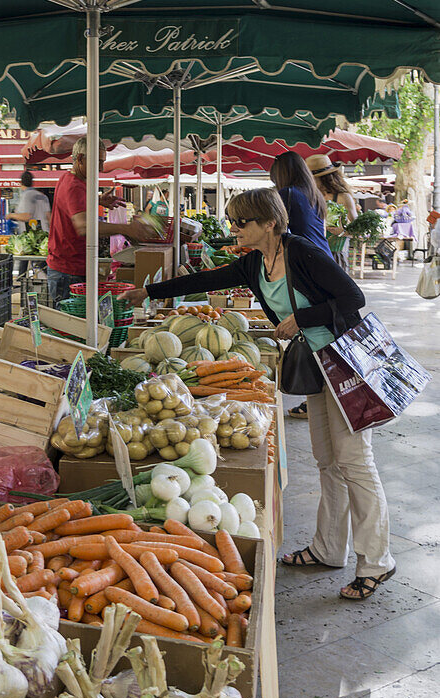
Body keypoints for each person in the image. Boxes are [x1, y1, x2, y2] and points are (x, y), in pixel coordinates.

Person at [128, 187, 395, 601]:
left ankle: (377, 561)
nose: (235, 228)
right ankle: (329, 549)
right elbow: (209, 279)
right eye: (233, 221)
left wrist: (299, 318)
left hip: (346, 367)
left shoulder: (301, 252)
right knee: (328, 461)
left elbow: (352, 297)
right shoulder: (256, 262)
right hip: (316, 367)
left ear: (269, 222)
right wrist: (148, 293)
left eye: (241, 222)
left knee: (355, 462)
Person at [46, 136, 156, 307]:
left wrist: (96, 200)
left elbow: (72, 206)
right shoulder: (74, 185)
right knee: (70, 326)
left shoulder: (71, 179)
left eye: (102, 162)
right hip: (68, 271)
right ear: (81, 158)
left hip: (70, 268)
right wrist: (126, 229)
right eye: (98, 161)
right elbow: (83, 226)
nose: (101, 168)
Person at [270, 151, 330, 419]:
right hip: (324, 263)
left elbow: (272, 226)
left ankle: (319, 393)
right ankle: (319, 394)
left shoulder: (288, 194)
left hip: (311, 270)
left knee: (313, 334)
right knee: (321, 336)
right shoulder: (311, 194)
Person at [306, 155, 357, 272]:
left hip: (334, 255)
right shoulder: (309, 196)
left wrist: (343, 232)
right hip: (311, 255)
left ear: (324, 178)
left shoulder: (343, 197)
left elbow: (358, 230)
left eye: (311, 178)